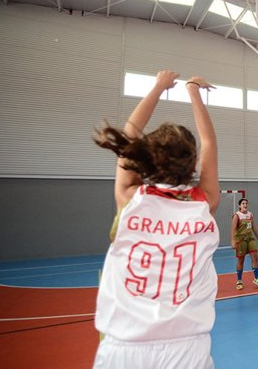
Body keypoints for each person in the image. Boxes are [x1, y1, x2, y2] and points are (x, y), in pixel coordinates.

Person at [92, 71, 219, 368]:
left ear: (147, 157)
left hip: (124, 346)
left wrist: (159, 86)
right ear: (192, 164)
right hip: (187, 348)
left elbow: (131, 132)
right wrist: (193, 91)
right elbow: (209, 143)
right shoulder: (202, 203)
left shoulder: (131, 198)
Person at [231, 198, 258, 290]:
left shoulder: (250, 214)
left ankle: (257, 278)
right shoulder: (236, 215)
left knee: (255, 257)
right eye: (243, 203)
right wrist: (233, 241)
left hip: (250, 239)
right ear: (240, 205)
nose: (245, 205)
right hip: (241, 240)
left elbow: (254, 226)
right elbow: (233, 229)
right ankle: (239, 281)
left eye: (246, 203)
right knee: (241, 260)